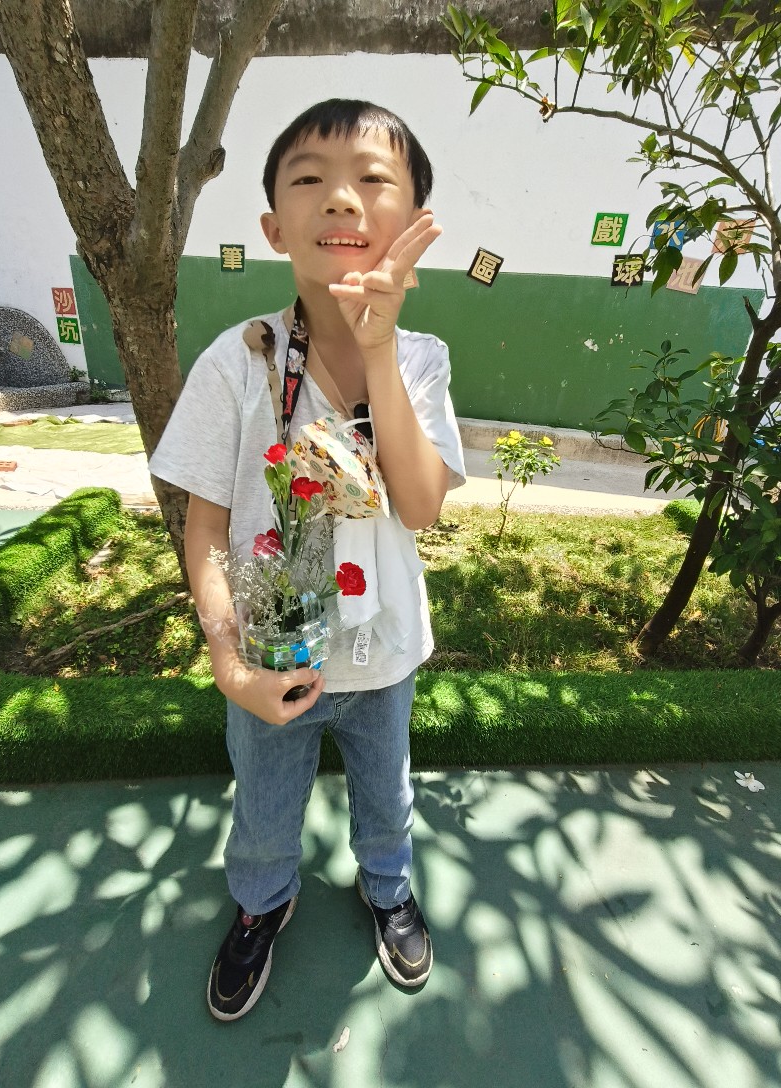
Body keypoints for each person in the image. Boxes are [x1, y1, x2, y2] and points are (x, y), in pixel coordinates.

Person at [149, 98, 465, 1021]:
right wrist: (227, 661)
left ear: (411, 222)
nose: (340, 199)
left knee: (387, 792)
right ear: (273, 227)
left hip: (384, 651)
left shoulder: (422, 360)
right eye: (310, 180)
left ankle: (387, 886)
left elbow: (421, 507)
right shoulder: (239, 360)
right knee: (263, 800)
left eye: (372, 181)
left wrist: (377, 345)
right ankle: (261, 902)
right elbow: (205, 528)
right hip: (270, 657)